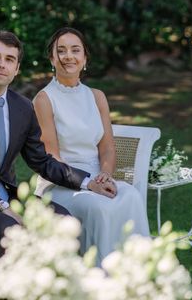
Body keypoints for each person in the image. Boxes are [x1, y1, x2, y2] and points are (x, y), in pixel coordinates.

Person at [0, 30, 111, 263]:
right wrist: (0, 207)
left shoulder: (23, 108)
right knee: (11, 231)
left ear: (17, 68)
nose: (2, 64)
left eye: (9, 59)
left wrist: (88, 182)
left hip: (10, 195)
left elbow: (41, 160)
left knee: (65, 222)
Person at [33, 27, 150, 264]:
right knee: (97, 206)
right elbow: (52, 157)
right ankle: (100, 278)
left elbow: (107, 147)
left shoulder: (97, 96)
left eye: (75, 50)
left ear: (85, 58)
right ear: (52, 58)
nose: (69, 56)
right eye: (61, 51)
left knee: (131, 196)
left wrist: (106, 175)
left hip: (99, 176)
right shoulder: (44, 99)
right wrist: (88, 184)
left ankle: (136, 273)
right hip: (62, 183)